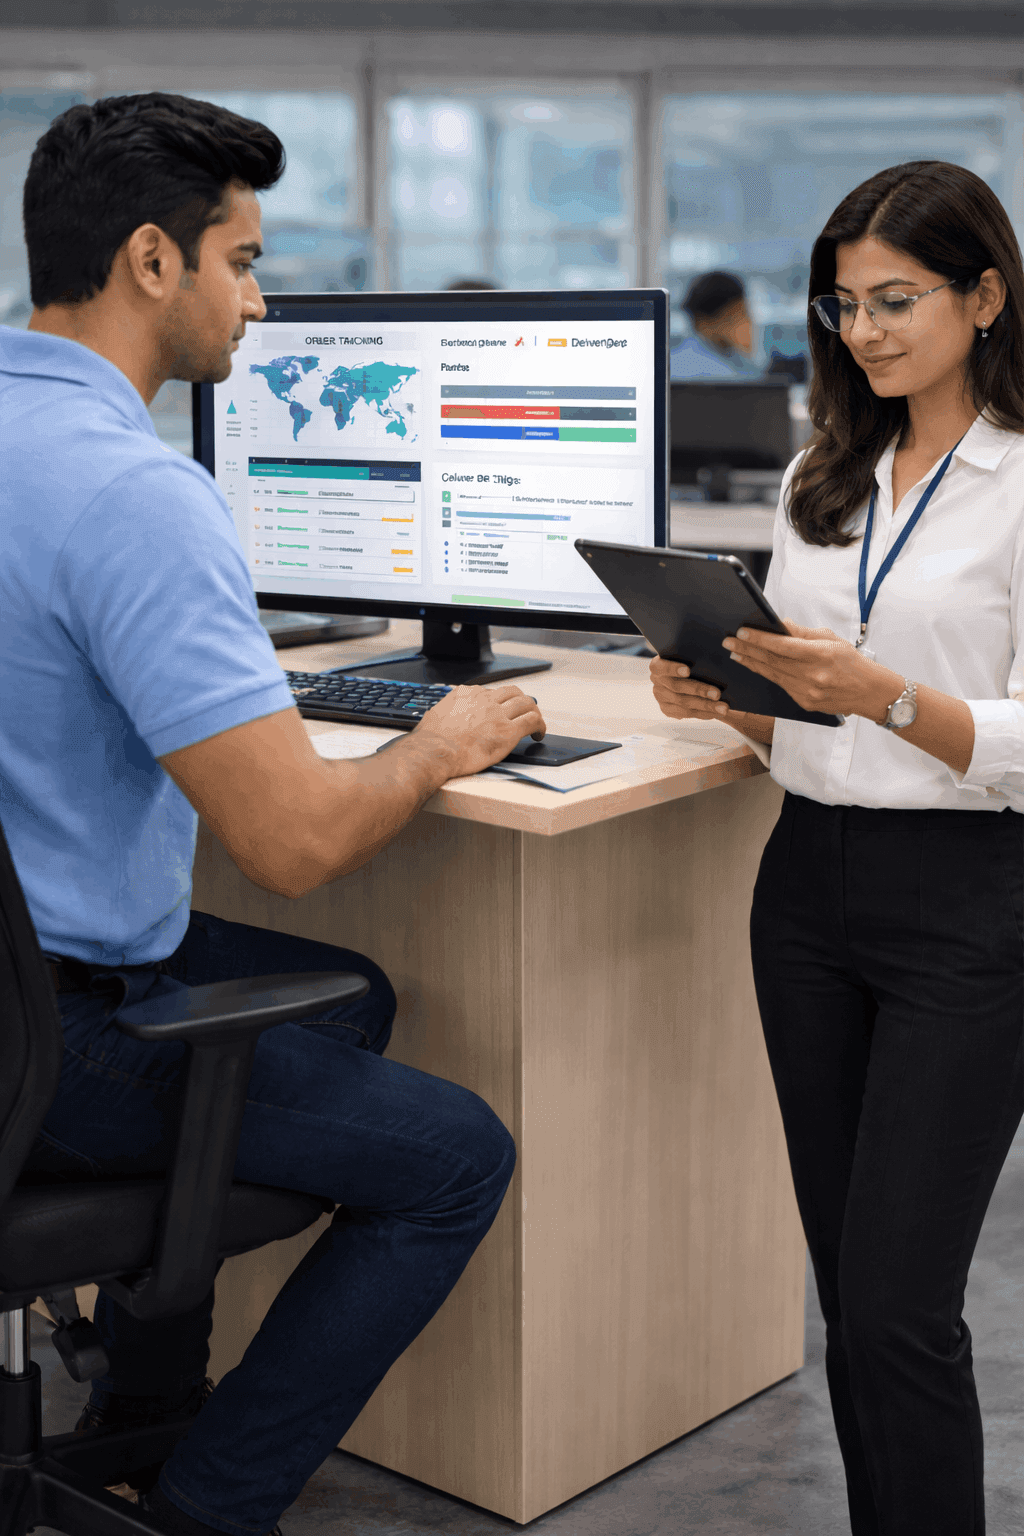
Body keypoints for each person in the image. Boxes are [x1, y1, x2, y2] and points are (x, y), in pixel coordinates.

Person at [0, 92, 546, 1536]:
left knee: (350, 996)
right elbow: (296, 845)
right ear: (150, 263)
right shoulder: (137, 496)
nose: (261, 297)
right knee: (457, 1158)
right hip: (48, 1034)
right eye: (243, 259)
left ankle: (137, 1397)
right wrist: (433, 748)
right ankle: (208, 1500)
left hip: (30, 979)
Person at [649, 159, 1024, 1535]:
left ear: (985, 296)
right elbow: (809, 725)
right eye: (844, 303)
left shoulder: (1020, 481)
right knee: (846, 1298)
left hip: (971, 904)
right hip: (805, 885)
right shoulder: (829, 466)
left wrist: (884, 695)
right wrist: (731, 703)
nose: (865, 331)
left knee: (901, 1308)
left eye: (899, 300)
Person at [669, 269, 762, 381]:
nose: (746, 324)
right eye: (733, 319)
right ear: (704, 324)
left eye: (745, 314)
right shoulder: (722, 375)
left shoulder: (734, 359)